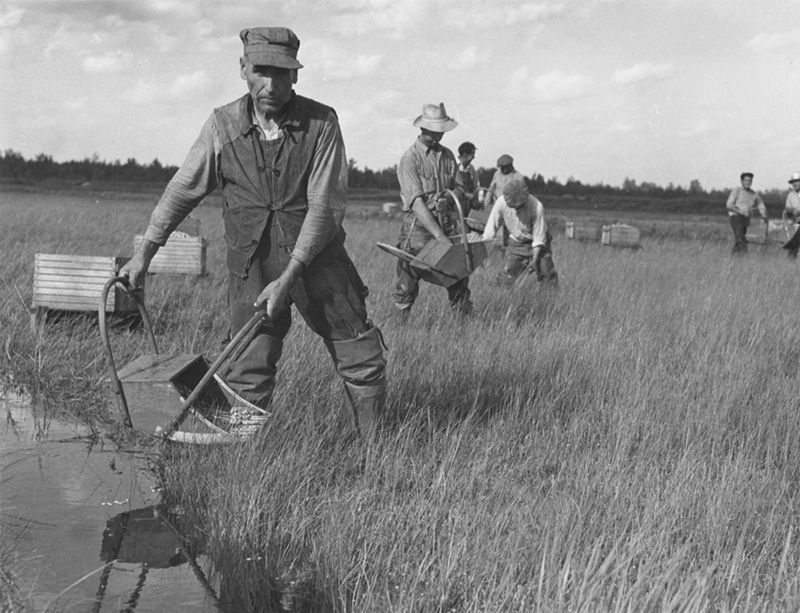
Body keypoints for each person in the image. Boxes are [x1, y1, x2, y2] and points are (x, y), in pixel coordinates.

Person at [120, 27, 387, 437]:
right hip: (252, 267)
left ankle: (377, 453)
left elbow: (326, 207)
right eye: (261, 71)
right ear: (243, 69)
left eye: (282, 73)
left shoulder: (322, 123)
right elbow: (181, 190)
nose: (271, 84)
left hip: (318, 261)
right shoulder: (222, 126)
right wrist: (143, 256)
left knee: (360, 354)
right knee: (247, 364)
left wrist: (292, 273)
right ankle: (244, 460)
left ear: (296, 76)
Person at [394, 103, 470, 317]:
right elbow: (416, 203)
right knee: (407, 282)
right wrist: (438, 236)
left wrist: (446, 197)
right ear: (423, 128)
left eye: (441, 132)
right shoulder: (410, 159)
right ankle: (401, 328)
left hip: (445, 225)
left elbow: (460, 188)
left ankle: (465, 328)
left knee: (458, 277)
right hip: (419, 231)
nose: (439, 136)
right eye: (435, 131)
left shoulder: (447, 156)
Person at [482, 179, 558, 285]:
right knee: (507, 277)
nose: (517, 210)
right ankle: (504, 299)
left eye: (519, 207)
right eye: (513, 207)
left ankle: (549, 298)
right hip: (517, 242)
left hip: (539, 244)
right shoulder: (501, 202)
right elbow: (491, 227)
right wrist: (483, 248)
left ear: (526, 200)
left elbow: (538, 237)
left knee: (547, 274)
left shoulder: (536, 206)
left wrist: (535, 259)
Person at [726, 172, 767, 255]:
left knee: (741, 239)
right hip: (736, 217)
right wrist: (741, 212)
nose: (748, 182)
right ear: (741, 181)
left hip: (746, 219)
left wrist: (764, 215)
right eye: (746, 180)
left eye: (750, 180)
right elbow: (729, 205)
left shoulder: (753, 194)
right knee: (742, 239)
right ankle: (745, 258)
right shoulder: (736, 190)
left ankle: (733, 259)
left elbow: (760, 204)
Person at [456, 142, 481, 216]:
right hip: (456, 205)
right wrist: (466, 195)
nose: (474, 157)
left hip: (468, 207)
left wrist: (476, 199)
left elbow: (476, 186)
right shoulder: (453, 166)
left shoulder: (471, 169)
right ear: (465, 155)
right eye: (472, 154)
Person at [783, 172, 800, 258]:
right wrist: (789, 211)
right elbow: (787, 210)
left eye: (797, 181)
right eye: (793, 182)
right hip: (795, 223)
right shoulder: (790, 195)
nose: (795, 183)